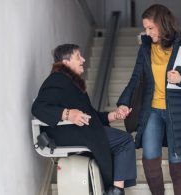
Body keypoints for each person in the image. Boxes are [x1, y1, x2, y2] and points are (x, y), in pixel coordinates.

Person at [116, 4, 181, 195]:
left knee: (177, 164)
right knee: (149, 159)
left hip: (179, 112)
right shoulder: (146, 49)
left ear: (163, 24)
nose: (146, 33)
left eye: (150, 28)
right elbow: (135, 78)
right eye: (145, 28)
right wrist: (124, 102)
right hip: (152, 112)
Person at [31, 44, 136, 195]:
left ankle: (115, 189)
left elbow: (91, 116)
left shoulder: (71, 83)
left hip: (79, 130)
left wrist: (114, 115)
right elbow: (38, 108)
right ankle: (116, 191)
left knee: (121, 140)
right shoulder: (57, 79)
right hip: (67, 133)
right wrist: (68, 114)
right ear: (65, 62)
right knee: (125, 141)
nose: (83, 59)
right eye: (78, 56)